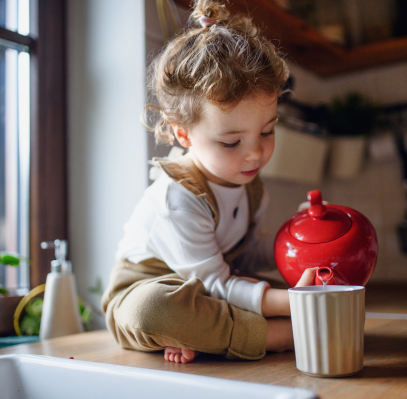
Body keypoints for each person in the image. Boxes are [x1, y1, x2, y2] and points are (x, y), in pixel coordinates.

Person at [101, 0, 316, 364]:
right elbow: (216, 284)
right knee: (152, 310)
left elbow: (243, 254)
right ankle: (279, 335)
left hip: (212, 288)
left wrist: (296, 241)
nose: (255, 154)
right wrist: (288, 304)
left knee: (293, 291)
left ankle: (204, 337)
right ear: (183, 134)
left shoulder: (251, 186)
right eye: (231, 142)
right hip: (150, 290)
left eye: (267, 131)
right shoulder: (178, 197)